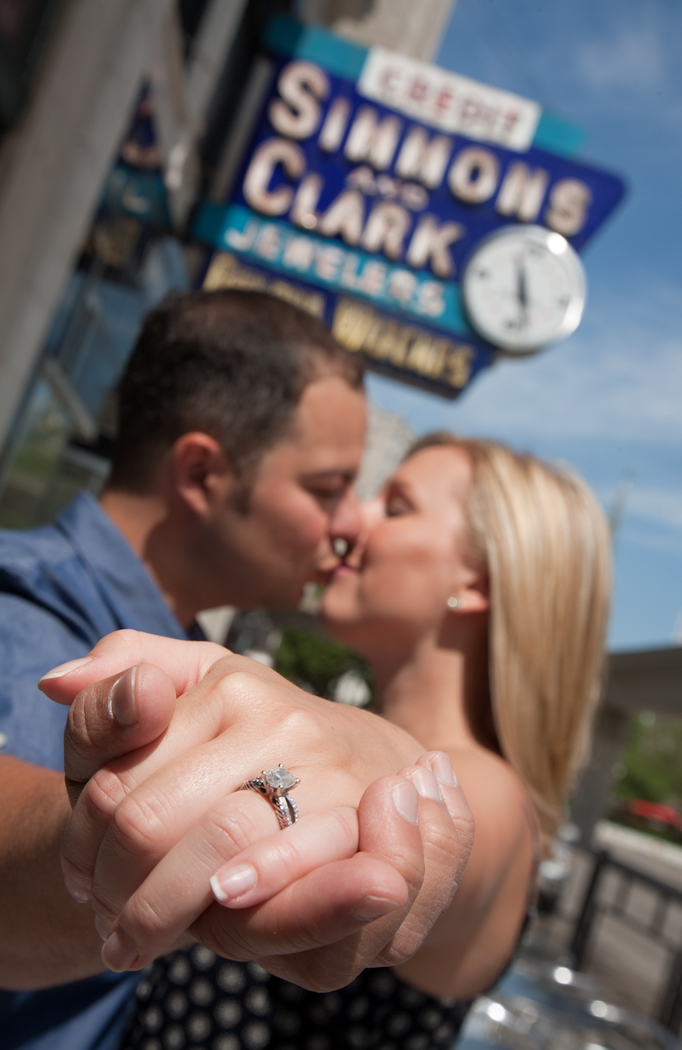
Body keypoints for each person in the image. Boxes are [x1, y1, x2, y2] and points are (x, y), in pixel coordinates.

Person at [0, 291, 472, 1050]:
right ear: (202, 473)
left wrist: (374, 755)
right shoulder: (21, 619)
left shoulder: (178, 647)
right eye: (327, 489)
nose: (352, 523)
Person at [44, 432, 611, 1049]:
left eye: (396, 506)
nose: (351, 521)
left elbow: (454, 828)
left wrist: (374, 766)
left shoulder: (498, 799)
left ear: (477, 582)